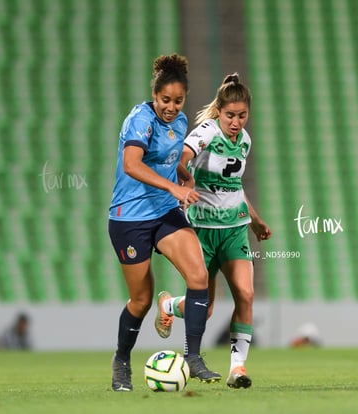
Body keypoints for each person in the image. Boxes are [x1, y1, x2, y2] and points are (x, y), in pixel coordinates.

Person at [108, 53, 221, 392]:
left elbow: (168, 162)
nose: (171, 107)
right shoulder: (140, 119)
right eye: (165, 100)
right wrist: (173, 186)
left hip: (164, 213)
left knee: (199, 276)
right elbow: (132, 164)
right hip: (129, 218)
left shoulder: (181, 121)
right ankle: (122, 361)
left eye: (178, 100)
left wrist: (182, 175)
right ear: (154, 95)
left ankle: (194, 358)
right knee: (140, 300)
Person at [154, 73, 272, 389]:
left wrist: (256, 220)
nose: (236, 122)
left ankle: (238, 369)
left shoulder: (244, 140)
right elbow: (181, 156)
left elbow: (234, 185)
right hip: (202, 230)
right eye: (230, 115)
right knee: (203, 311)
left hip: (235, 229)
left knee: (246, 295)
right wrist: (185, 179)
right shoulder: (205, 132)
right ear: (219, 111)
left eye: (242, 115)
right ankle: (167, 305)